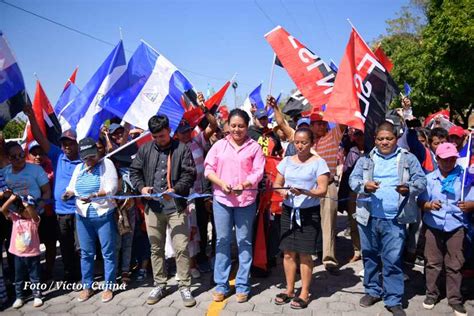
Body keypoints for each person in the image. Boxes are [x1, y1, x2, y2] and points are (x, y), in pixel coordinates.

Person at [349, 121, 427, 316]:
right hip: (368, 217)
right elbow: (352, 180)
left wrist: (408, 187)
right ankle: (372, 290)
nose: (385, 142)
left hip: (395, 219)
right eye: (381, 139)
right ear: (375, 140)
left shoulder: (408, 159)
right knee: (370, 256)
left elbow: (421, 181)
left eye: (389, 138)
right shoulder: (365, 158)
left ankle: (393, 299)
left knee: (392, 260)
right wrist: (364, 186)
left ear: (396, 138)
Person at [130, 114, 197, 307]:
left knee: (181, 247)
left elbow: (189, 175)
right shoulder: (144, 150)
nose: (159, 140)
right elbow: (135, 172)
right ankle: (160, 284)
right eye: (155, 136)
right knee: (156, 248)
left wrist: (175, 190)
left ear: (169, 130)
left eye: (162, 135)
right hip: (152, 208)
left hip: (176, 207)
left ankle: (184, 285)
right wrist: (141, 188)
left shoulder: (182, 149)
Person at [204, 109, 265, 303]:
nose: (237, 129)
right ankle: (221, 284)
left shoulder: (254, 147)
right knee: (222, 240)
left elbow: (258, 172)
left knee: (244, 242)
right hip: (222, 200)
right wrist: (221, 183)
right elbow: (208, 169)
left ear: (247, 127)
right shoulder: (219, 146)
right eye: (233, 125)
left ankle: (243, 285)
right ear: (227, 126)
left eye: (241, 126)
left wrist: (245, 184)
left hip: (246, 201)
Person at [273, 127, 329, 309]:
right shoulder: (287, 161)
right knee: (288, 252)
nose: (300, 146)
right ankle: (289, 289)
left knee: (305, 253)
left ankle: (304, 291)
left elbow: (322, 190)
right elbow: (277, 183)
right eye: (297, 142)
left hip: (308, 213)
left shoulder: (319, 163)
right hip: (289, 211)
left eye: (304, 142)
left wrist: (306, 191)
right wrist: (283, 192)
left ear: (311, 143)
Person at [24, 106, 82, 282]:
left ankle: (82, 275)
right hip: (61, 211)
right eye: (64, 143)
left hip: (80, 210)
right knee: (64, 246)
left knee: (80, 247)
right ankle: (70, 275)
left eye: (70, 142)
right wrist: (32, 117)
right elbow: (40, 138)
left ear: (76, 143)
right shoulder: (57, 155)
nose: (67, 146)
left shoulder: (84, 160)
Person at [418, 142, 474, 316]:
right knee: (433, 263)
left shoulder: (465, 178)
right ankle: (431, 294)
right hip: (433, 225)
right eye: (444, 159)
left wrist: (470, 205)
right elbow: (420, 201)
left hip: (456, 226)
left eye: (452, 159)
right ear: (437, 159)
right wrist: (428, 204)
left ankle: (455, 299)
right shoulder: (429, 179)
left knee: (455, 264)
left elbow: (473, 199)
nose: (448, 163)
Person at [63, 137, 118, 303]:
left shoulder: (106, 164)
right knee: (86, 253)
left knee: (108, 252)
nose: (89, 160)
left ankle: (109, 286)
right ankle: (87, 286)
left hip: (103, 214)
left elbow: (112, 188)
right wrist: (68, 194)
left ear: (97, 151)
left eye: (92, 156)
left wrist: (95, 195)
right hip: (83, 216)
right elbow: (71, 187)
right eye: (86, 157)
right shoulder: (79, 168)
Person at [175, 92, 217, 273]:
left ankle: (202, 258)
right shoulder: (174, 148)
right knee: (190, 229)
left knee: (202, 224)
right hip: (186, 195)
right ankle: (189, 262)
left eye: (187, 131)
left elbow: (214, 125)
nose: (186, 134)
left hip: (202, 192)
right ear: (176, 134)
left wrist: (204, 109)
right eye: (182, 132)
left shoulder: (198, 140)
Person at [1, 192, 43, 309]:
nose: (29, 211)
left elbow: (33, 214)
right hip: (18, 255)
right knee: (18, 277)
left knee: (35, 276)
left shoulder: (35, 220)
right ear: (20, 210)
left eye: (31, 208)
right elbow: (3, 210)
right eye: (26, 209)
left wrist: (27, 205)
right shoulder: (15, 219)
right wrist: (11, 199)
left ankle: (37, 295)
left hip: (33, 254)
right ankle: (19, 297)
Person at [27, 141, 57, 280]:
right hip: (29, 215)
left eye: (41, 153)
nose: (38, 156)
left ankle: (49, 270)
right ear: (29, 155)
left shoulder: (51, 168)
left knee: (50, 243)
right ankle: (34, 273)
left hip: (49, 213)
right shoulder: (23, 169)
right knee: (32, 246)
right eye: (34, 153)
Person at [337, 129, 364, 262]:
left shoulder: (374, 153)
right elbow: (346, 176)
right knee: (354, 223)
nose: (359, 138)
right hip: (353, 193)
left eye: (362, 135)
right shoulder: (352, 153)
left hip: (370, 193)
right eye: (357, 135)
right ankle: (357, 250)